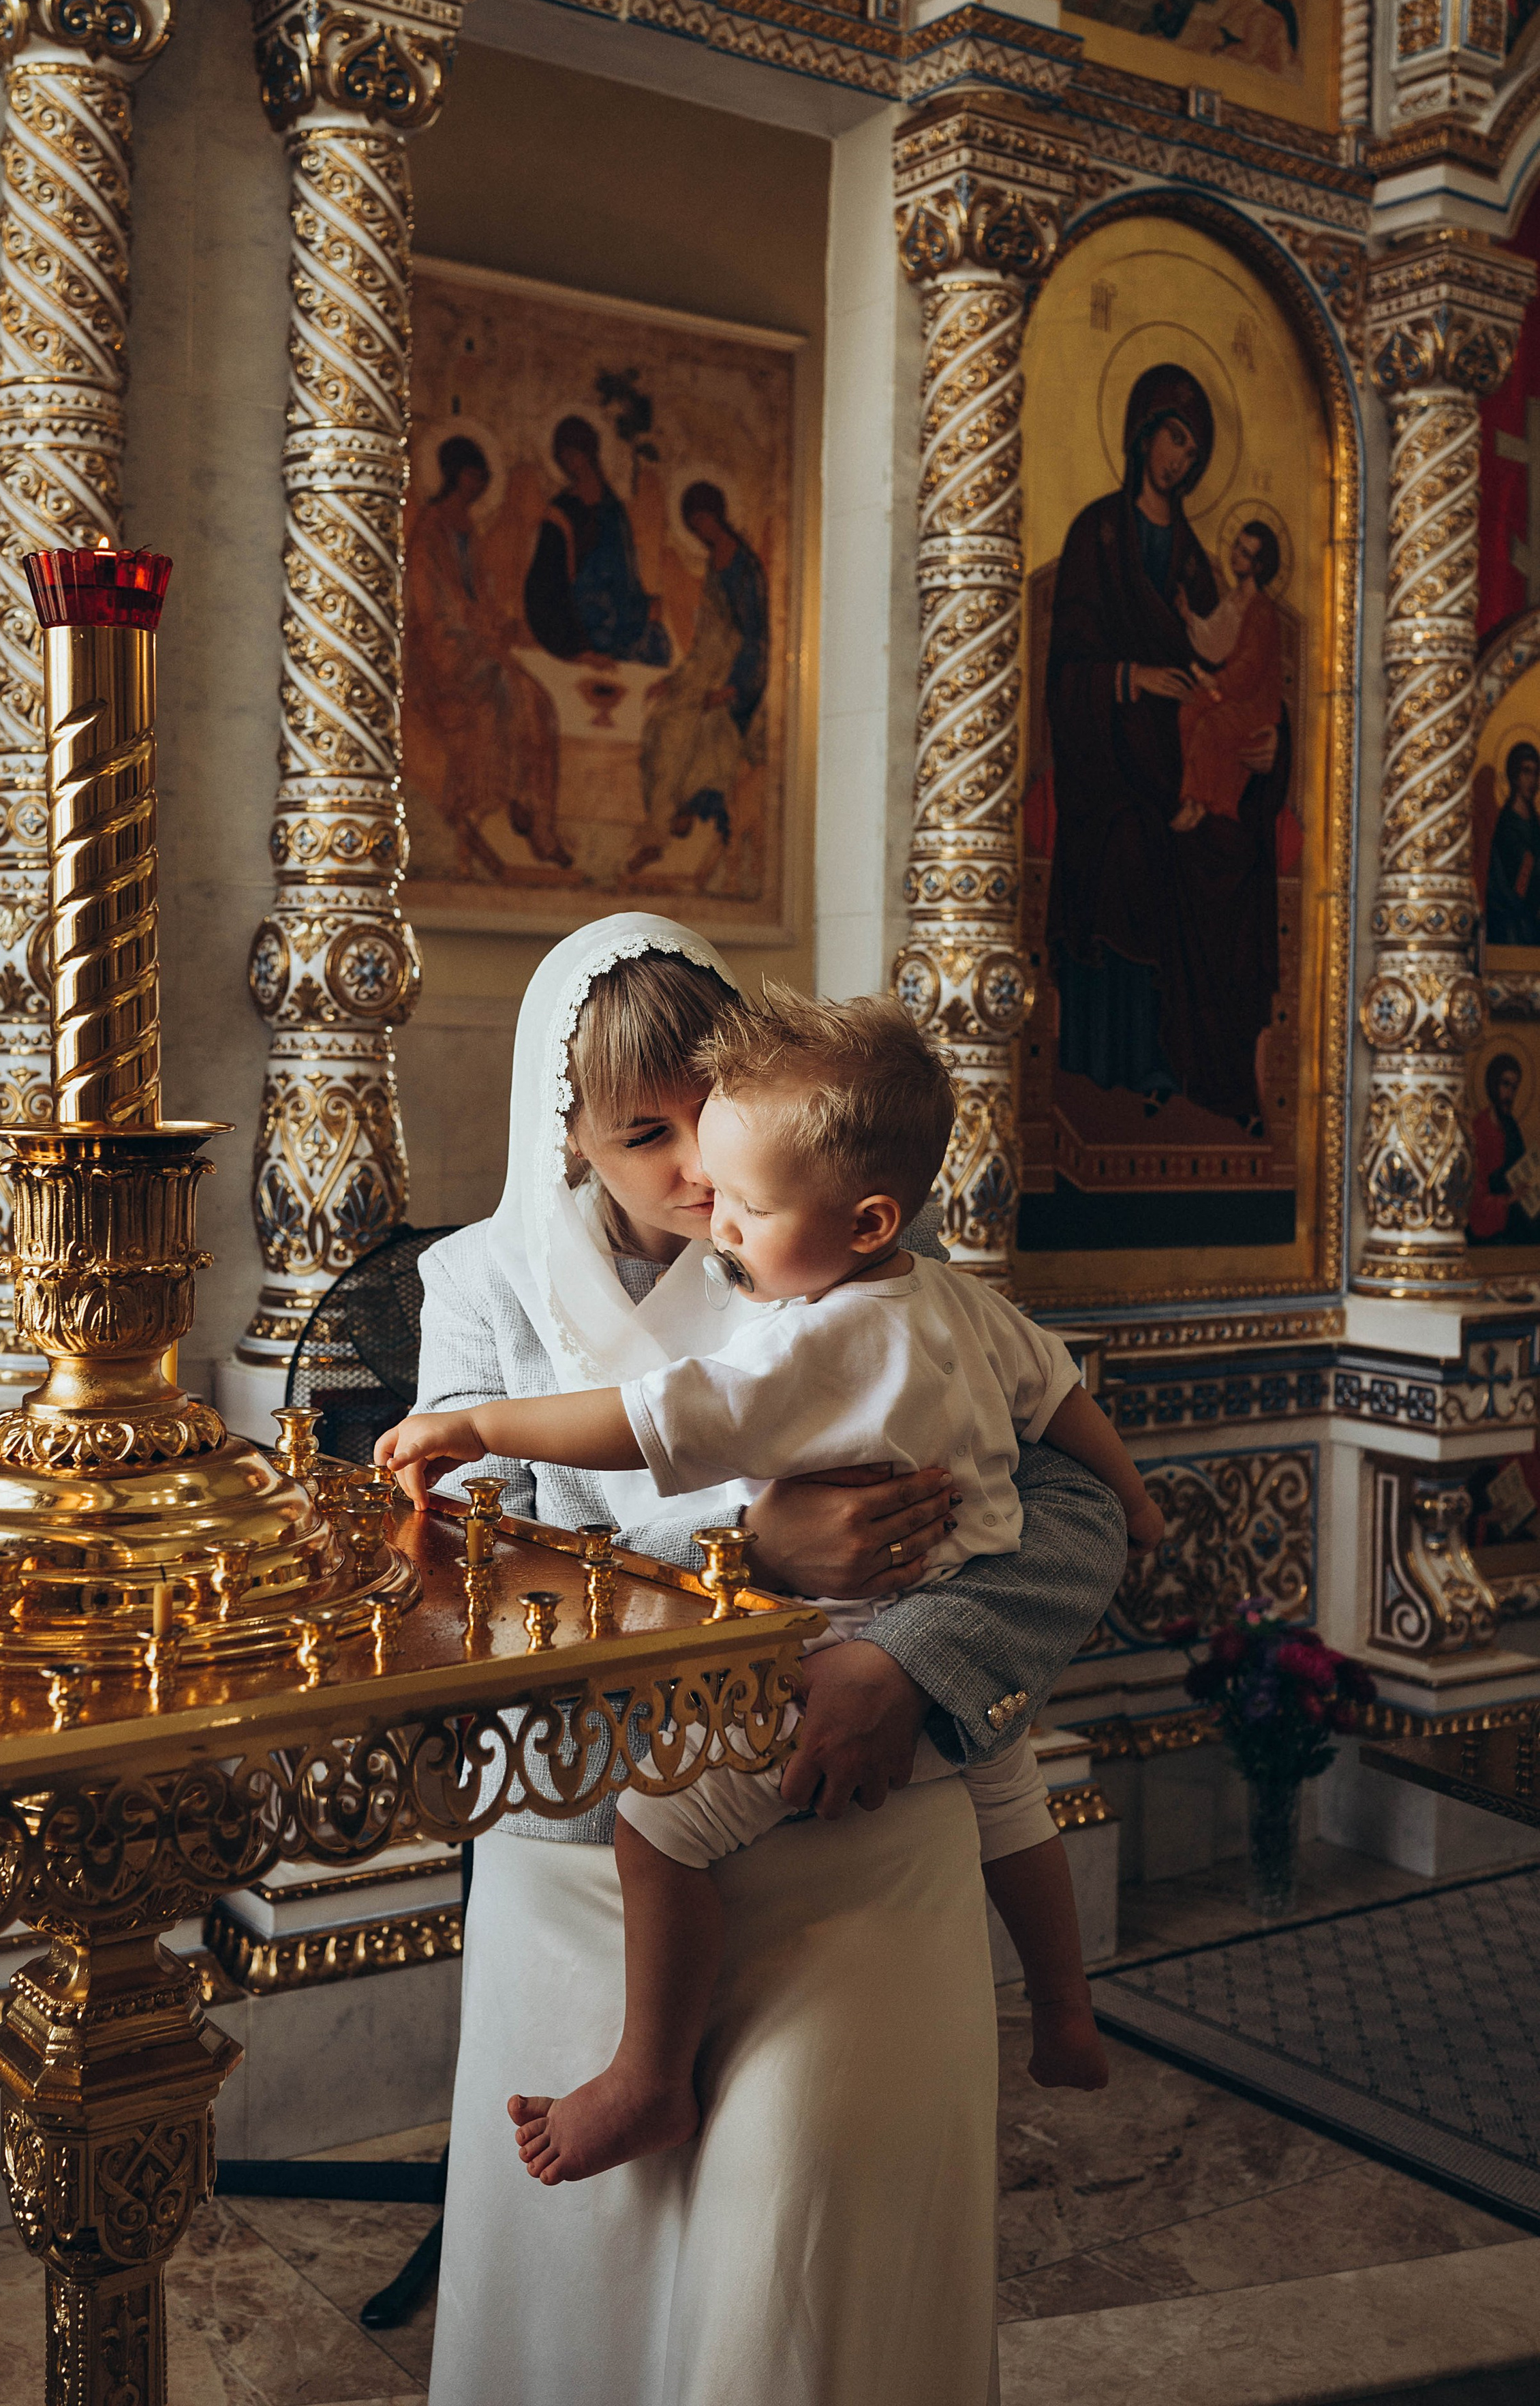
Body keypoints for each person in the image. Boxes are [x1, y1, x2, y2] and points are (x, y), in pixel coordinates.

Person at [416, 912, 1130, 2406]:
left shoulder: (841, 1245)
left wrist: (908, 1658)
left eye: (710, 1113)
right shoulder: (478, 1287)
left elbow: (1066, 1512)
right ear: (560, 1134)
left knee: (802, 2283)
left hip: (856, 1822)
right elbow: (465, 1577)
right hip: (595, 1843)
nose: (693, 1166)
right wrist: (753, 1562)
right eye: (641, 1131)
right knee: (592, 2301)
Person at [1045, 361, 1289, 1128]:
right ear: (1144, 431)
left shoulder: (1192, 559)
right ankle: (1120, 1059)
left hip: (1181, 755)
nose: (1181, 458)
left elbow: (1235, 666)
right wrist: (1130, 678)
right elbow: (1065, 671)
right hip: (1109, 759)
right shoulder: (1096, 533)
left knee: (1228, 852)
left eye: (1194, 448)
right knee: (1130, 842)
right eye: (1175, 437)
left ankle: (1204, 1071)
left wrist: (1272, 746)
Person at [405, 436, 572, 880]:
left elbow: (477, 592)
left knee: (539, 701)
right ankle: (524, 808)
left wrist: (496, 623)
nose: (480, 485)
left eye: (484, 478)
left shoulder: (467, 528)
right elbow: (433, 603)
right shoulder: (430, 529)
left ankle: (537, 818)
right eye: (476, 475)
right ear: (457, 473)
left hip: (475, 643)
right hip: (441, 651)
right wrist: (478, 628)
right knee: (512, 690)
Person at [628, 482, 768, 877]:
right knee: (660, 721)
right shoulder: (713, 565)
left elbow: (758, 636)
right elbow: (705, 638)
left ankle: (665, 828)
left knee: (689, 729)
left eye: (703, 520)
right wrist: (674, 680)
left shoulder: (746, 567)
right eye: (693, 525)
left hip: (736, 669)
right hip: (707, 664)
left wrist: (732, 690)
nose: (700, 530)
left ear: (717, 515)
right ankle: (661, 822)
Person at [523, 415, 673, 672]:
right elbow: (544, 586)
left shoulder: (612, 506)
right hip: (583, 619)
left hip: (621, 612)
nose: (569, 462)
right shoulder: (561, 511)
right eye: (563, 456)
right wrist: (578, 649)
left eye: (574, 453)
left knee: (661, 646)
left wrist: (644, 605)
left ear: (589, 451)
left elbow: (627, 574)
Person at [1171, 519, 1285, 832]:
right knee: (1189, 710)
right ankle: (1191, 800)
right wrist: (1188, 617)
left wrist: (1216, 682)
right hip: (1232, 688)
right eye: (1237, 546)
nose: (1236, 555)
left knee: (1210, 726)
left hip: (1253, 702)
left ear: (1259, 566)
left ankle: (1204, 804)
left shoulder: (1261, 610)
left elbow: (1250, 668)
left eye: (1246, 553)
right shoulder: (1235, 599)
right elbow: (1215, 643)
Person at [1468, 1052, 1540, 1247]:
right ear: (1493, 1084)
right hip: (1493, 1218)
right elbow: (1476, 1199)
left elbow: (1523, 1169)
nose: (1510, 1094)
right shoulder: (1479, 1129)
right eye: (1505, 1084)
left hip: (1517, 1206)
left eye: (1514, 1088)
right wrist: (1508, 1199)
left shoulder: (1511, 1126)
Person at [1485, 742, 1540, 949]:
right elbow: (1508, 877)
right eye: (1526, 772)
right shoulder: (1507, 824)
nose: (1532, 781)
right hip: (1511, 917)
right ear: (1514, 776)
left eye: (1536, 773)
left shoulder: (1535, 824)